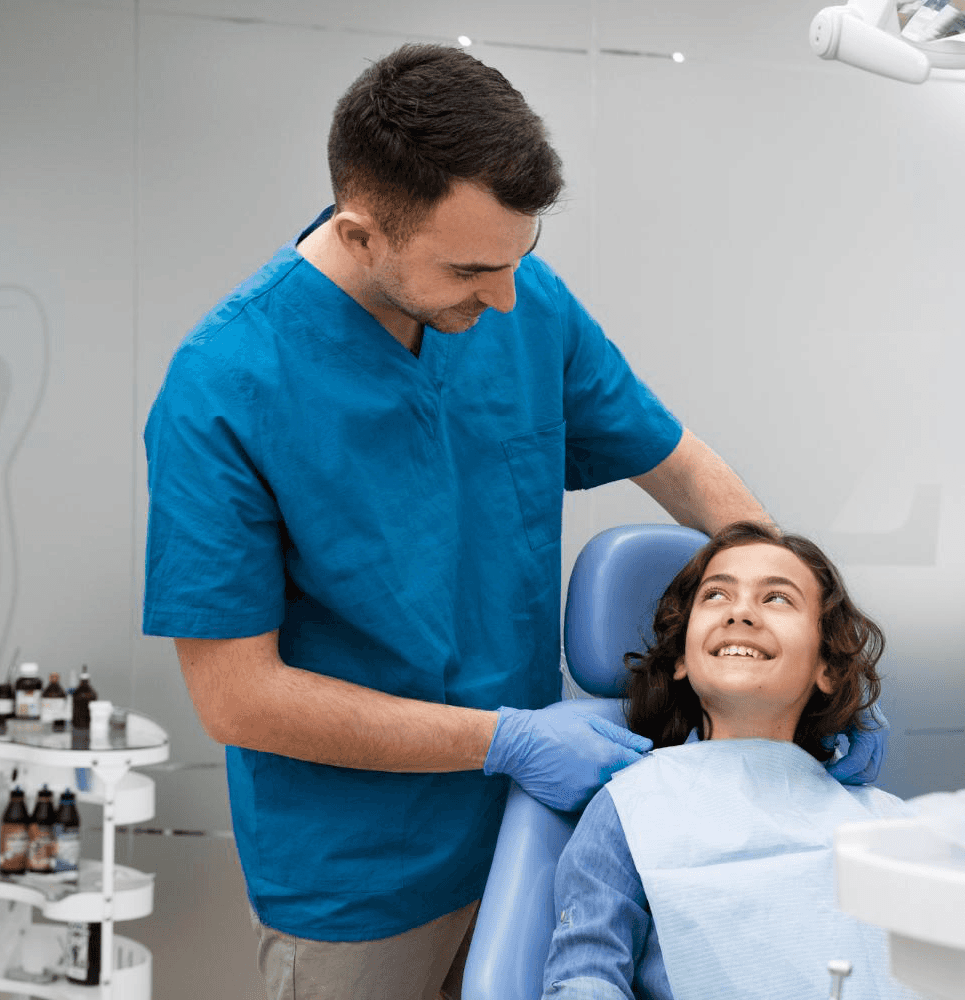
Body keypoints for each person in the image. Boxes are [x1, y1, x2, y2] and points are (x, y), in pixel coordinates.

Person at [142, 44, 885, 1000]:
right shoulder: (225, 389)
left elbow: (684, 466)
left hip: (536, 836)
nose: (502, 297)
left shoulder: (522, 301)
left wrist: (819, 637)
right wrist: (506, 740)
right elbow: (237, 697)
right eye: (467, 270)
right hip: (359, 875)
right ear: (361, 233)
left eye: (517, 256)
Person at [541, 521, 913, 1000]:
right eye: (716, 595)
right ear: (680, 659)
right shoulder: (631, 807)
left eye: (777, 598)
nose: (741, 612)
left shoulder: (886, 823)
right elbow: (585, 978)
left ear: (827, 668)